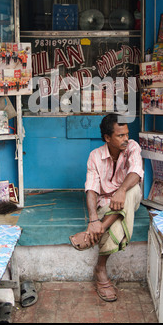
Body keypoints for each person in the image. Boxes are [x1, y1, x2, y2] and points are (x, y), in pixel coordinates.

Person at [69, 113, 143, 302]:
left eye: (127, 134)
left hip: (128, 197)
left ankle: (101, 265)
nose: (126, 138)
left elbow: (136, 171)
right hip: (106, 205)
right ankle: (102, 229)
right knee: (117, 216)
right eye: (120, 136)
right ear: (107, 138)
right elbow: (91, 189)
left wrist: (122, 190)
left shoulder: (133, 147)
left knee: (132, 191)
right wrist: (93, 219)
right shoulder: (95, 156)